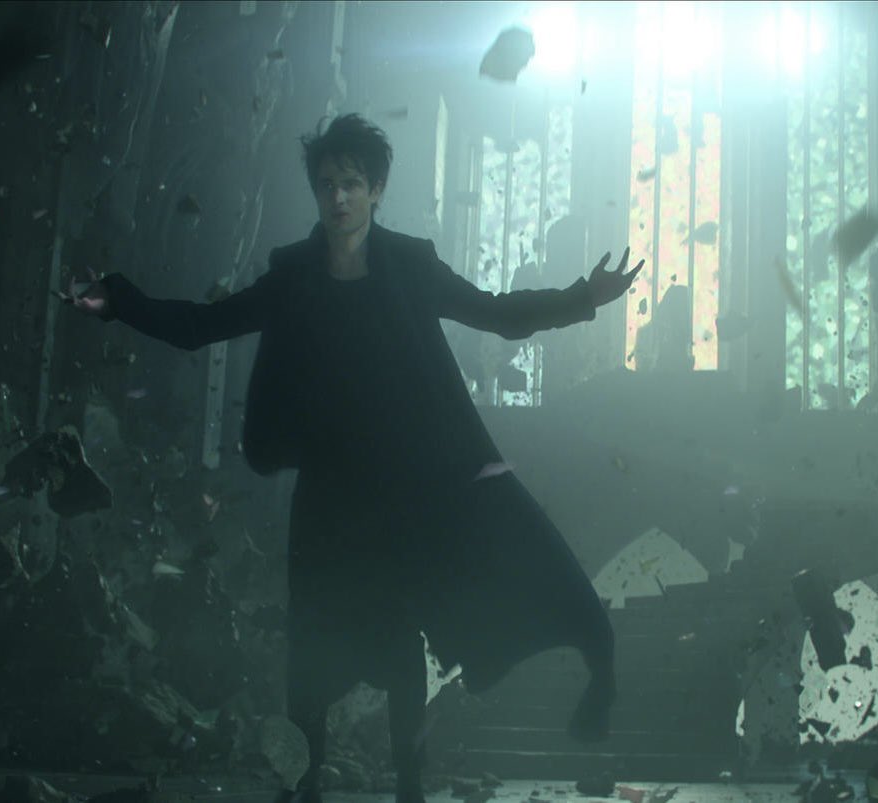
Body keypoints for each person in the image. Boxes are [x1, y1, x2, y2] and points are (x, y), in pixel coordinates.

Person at [68, 114, 641, 803]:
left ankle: (409, 786)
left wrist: (582, 299)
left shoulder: (410, 267)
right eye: (326, 184)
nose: (337, 197)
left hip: (402, 493)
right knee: (310, 640)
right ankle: (305, 783)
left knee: (398, 642)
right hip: (326, 494)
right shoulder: (292, 278)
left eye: (350, 183)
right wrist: (116, 301)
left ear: (375, 190)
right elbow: (201, 325)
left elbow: (494, 313)